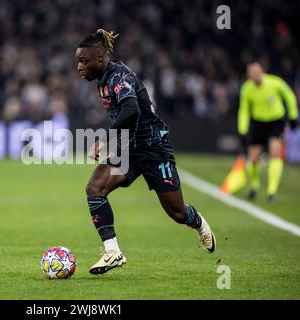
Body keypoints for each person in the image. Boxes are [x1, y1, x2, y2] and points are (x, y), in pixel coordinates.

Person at [75, 29, 216, 275]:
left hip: (152, 148)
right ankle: (112, 252)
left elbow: (131, 110)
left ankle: (199, 223)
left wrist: (105, 139)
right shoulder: (102, 79)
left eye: (84, 61)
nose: (79, 66)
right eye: (78, 61)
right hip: (128, 149)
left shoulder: (119, 77)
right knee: (94, 188)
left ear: (100, 58)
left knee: (176, 212)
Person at [238, 62, 298, 202]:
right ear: (249, 76)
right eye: (252, 73)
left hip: (275, 121)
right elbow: (244, 110)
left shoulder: (274, 82)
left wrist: (293, 115)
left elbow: (289, 96)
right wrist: (242, 129)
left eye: (257, 72)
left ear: (262, 71)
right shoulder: (247, 89)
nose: (255, 75)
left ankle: (272, 191)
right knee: (253, 158)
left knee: (275, 153)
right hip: (258, 122)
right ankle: (254, 186)